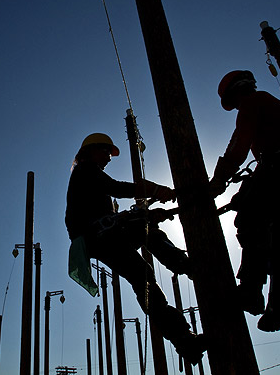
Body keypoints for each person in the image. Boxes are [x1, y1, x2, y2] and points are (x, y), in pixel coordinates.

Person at [66, 133, 206, 363]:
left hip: (101, 239)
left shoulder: (88, 179)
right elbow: (117, 188)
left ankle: (184, 340)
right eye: (105, 152)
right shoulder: (86, 171)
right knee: (144, 231)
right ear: (90, 151)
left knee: (143, 278)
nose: (108, 159)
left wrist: (148, 213)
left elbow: (111, 214)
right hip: (101, 238)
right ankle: (184, 264)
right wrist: (154, 190)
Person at [208, 70, 280, 332]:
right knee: (271, 236)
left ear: (236, 92)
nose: (236, 107)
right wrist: (241, 194)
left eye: (233, 102)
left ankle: (250, 289)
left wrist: (218, 181)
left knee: (250, 223)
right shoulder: (269, 108)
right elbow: (262, 163)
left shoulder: (253, 102)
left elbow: (239, 145)